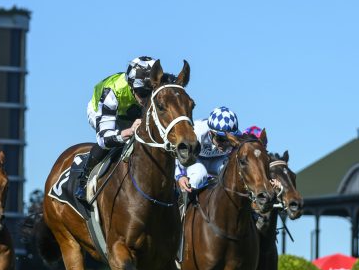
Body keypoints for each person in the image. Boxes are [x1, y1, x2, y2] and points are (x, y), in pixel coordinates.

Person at [74, 56, 157, 202]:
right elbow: (104, 138)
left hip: (130, 112)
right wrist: (129, 132)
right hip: (102, 111)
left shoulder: (157, 82)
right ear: (131, 86)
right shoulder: (112, 92)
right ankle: (84, 179)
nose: (146, 98)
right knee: (114, 144)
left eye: (150, 92)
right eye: (142, 93)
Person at [175, 106, 240, 193]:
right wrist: (180, 175)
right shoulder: (197, 133)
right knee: (199, 175)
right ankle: (183, 199)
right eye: (220, 138)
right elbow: (180, 153)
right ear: (211, 133)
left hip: (217, 161)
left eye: (228, 139)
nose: (224, 143)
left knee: (231, 173)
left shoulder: (238, 138)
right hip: (195, 159)